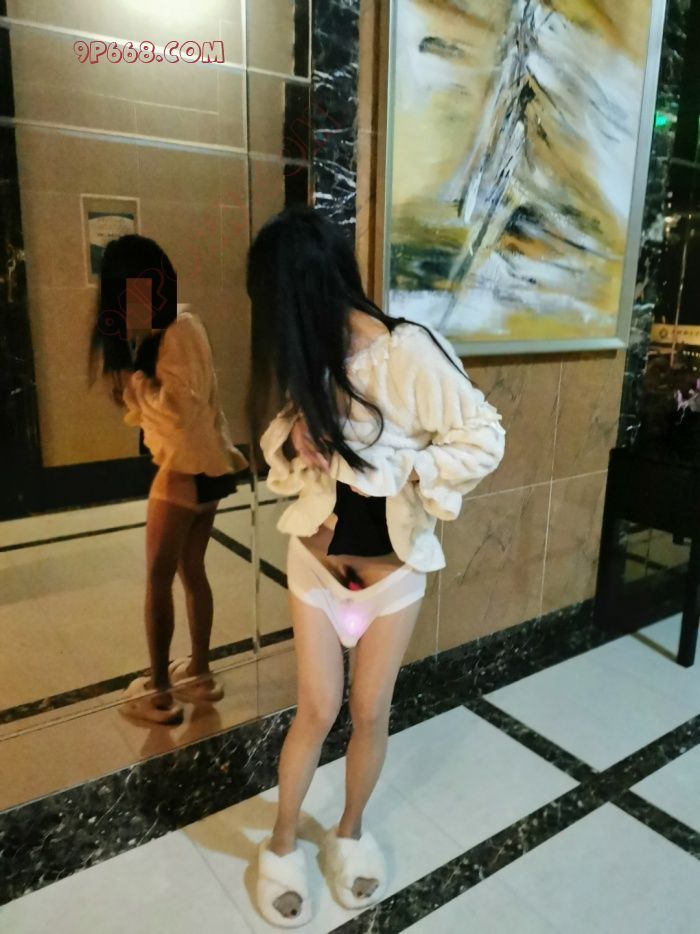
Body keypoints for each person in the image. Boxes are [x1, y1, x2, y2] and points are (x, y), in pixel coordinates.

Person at [246, 206, 505, 926]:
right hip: (315, 567)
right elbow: (280, 442)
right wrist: (296, 440)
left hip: (390, 579)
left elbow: (484, 437)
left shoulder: (409, 352)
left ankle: (350, 832)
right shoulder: (318, 356)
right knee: (316, 709)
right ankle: (280, 843)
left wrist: (402, 470)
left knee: (369, 713)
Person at [90, 234, 247, 725]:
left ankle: (159, 692)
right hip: (207, 469)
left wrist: (136, 385)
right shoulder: (171, 327)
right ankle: (199, 671)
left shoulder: (177, 328)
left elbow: (178, 411)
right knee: (191, 571)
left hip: (183, 471)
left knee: (160, 579)